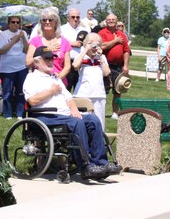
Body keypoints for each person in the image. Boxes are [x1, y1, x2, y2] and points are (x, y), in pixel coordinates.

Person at [24, 46, 120, 179]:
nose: (51, 61)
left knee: (93, 119)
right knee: (77, 123)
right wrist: (50, 92)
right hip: (45, 116)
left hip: (65, 115)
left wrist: (74, 109)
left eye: (52, 58)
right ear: (37, 62)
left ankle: (102, 163)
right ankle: (86, 166)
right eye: (47, 59)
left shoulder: (55, 78)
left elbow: (68, 97)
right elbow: (32, 101)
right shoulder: (31, 78)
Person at [72, 33, 111, 129]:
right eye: (91, 43)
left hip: (99, 95)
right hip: (83, 95)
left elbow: (106, 73)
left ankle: (100, 142)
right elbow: (75, 66)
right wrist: (85, 49)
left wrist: (100, 56)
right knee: (82, 122)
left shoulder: (102, 58)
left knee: (100, 123)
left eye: (96, 44)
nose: (94, 46)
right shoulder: (81, 56)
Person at [26, 8, 72, 84]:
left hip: (59, 81)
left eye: (50, 20)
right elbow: (28, 63)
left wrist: (58, 78)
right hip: (40, 82)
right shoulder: (35, 41)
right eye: (44, 20)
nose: (47, 22)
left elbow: (67, 67)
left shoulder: (64, 42)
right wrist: (47, 50)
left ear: (56, 22)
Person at [0, 14, 29, 119]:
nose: (15, 24)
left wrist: (23, 39)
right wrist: (14, 40)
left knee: (21, 91)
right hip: (7, 68)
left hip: (21, 66)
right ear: (9, 24)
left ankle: (20, 113)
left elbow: (27, 50)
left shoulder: (23, 33)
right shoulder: (4, 35)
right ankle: (7, 114)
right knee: (7, 92)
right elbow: (1, 51)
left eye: (18, 22)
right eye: (13, 22)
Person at [98, 13, 131, 119]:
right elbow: (102, 47)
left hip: (118, 66)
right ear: (106, 21)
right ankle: (100, 111)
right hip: (105, 66)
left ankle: (115, 113)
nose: (111, 21)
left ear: (116, 21)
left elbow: (126, 51)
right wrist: (115, 41)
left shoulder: (122, 34)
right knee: (103, 89)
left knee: (118, 90)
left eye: (113, 20)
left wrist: (125, 65)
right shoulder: (102, 33)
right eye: (109, 20)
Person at [60, 8, 87, 91]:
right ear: (68, 18)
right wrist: (72, 43)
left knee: (80, 90)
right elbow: (58, 42)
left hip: (81, 63)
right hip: (67, 62)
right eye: (73, 17)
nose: (75, 19)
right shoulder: (62, 29)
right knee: (66, 89)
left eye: (77, 17)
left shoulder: (85, 29)